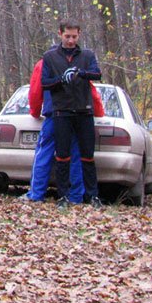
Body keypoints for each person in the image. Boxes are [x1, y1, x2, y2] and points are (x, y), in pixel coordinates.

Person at [20, 58, 105, 203]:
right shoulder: (78, 64)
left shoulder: (44, 63)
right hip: (77, 116)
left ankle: (36, 194)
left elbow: (35, 91)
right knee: (76, 155)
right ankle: (76, 196)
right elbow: (91, 92)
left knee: (44, 153)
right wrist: (98, 112)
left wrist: (35, 111)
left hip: (54, 115)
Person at [40, 19, 103, 209]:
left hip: (84, 111)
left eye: (74, 36)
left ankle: (92, 196)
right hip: (62, 112)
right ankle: (63, 196)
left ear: (79, 35)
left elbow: (97, 74)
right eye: (67, 36)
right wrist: (62, 78)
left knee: (87, 156)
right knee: (62, 156)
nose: (70, 40)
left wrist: (80, 73)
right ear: (60, 34)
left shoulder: (87, 54)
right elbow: (45, 83)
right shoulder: (50, 56)